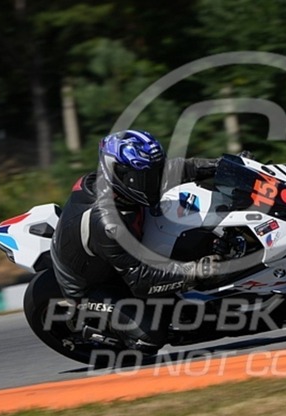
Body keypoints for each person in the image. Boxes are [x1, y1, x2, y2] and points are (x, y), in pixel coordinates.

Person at [50, 129, 225, 354]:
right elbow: (141, 280)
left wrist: (221, 165)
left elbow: (175, 169)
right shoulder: (108, 223)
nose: (155, 182)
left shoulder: (121, 185)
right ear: (120, 175)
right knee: (150, 336)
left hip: (120, 252)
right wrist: (194, 271)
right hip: (94, 283)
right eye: (146, 178)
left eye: (156, 173)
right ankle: (92, 323)